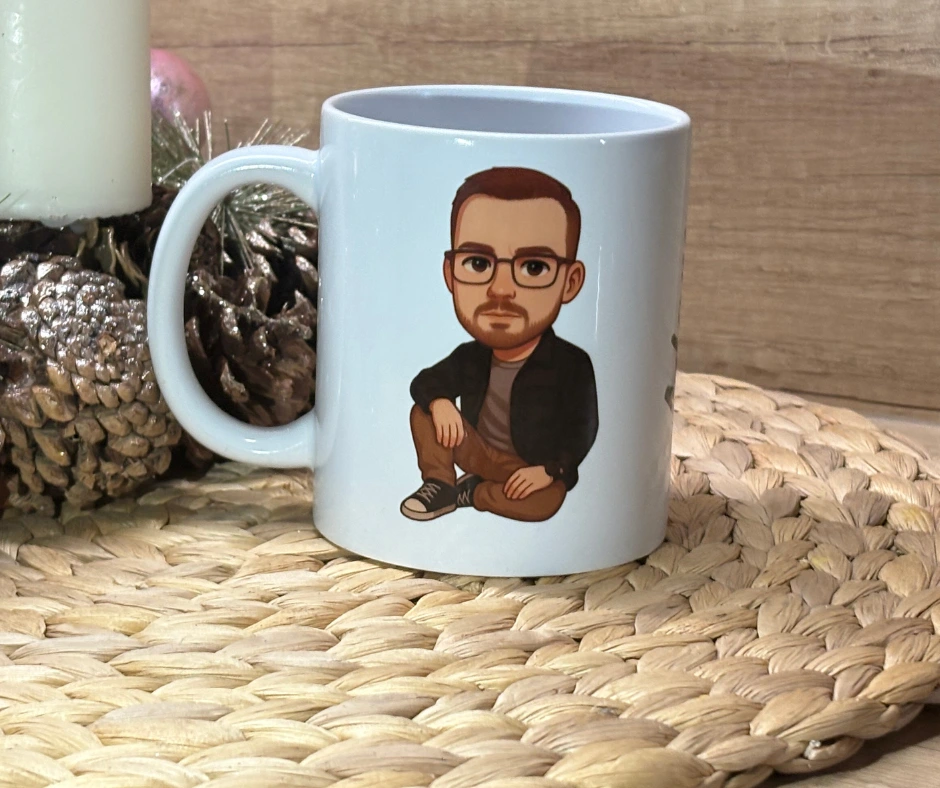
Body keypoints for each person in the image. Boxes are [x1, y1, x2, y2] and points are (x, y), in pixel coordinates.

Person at [400, 167, 599, 523]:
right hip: (476, 451)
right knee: (425, 411)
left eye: (534, 267)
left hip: (528, 469)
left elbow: (581, 431)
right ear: (450, 274)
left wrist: (550, 470)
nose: (501, 289)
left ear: (570, 282)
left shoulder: (571, 364)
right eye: (478, 264)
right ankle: (440, 484)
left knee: (547, 501)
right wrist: (440, 401)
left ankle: (474, 493)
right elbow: (426, 382)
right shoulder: (470, 356)